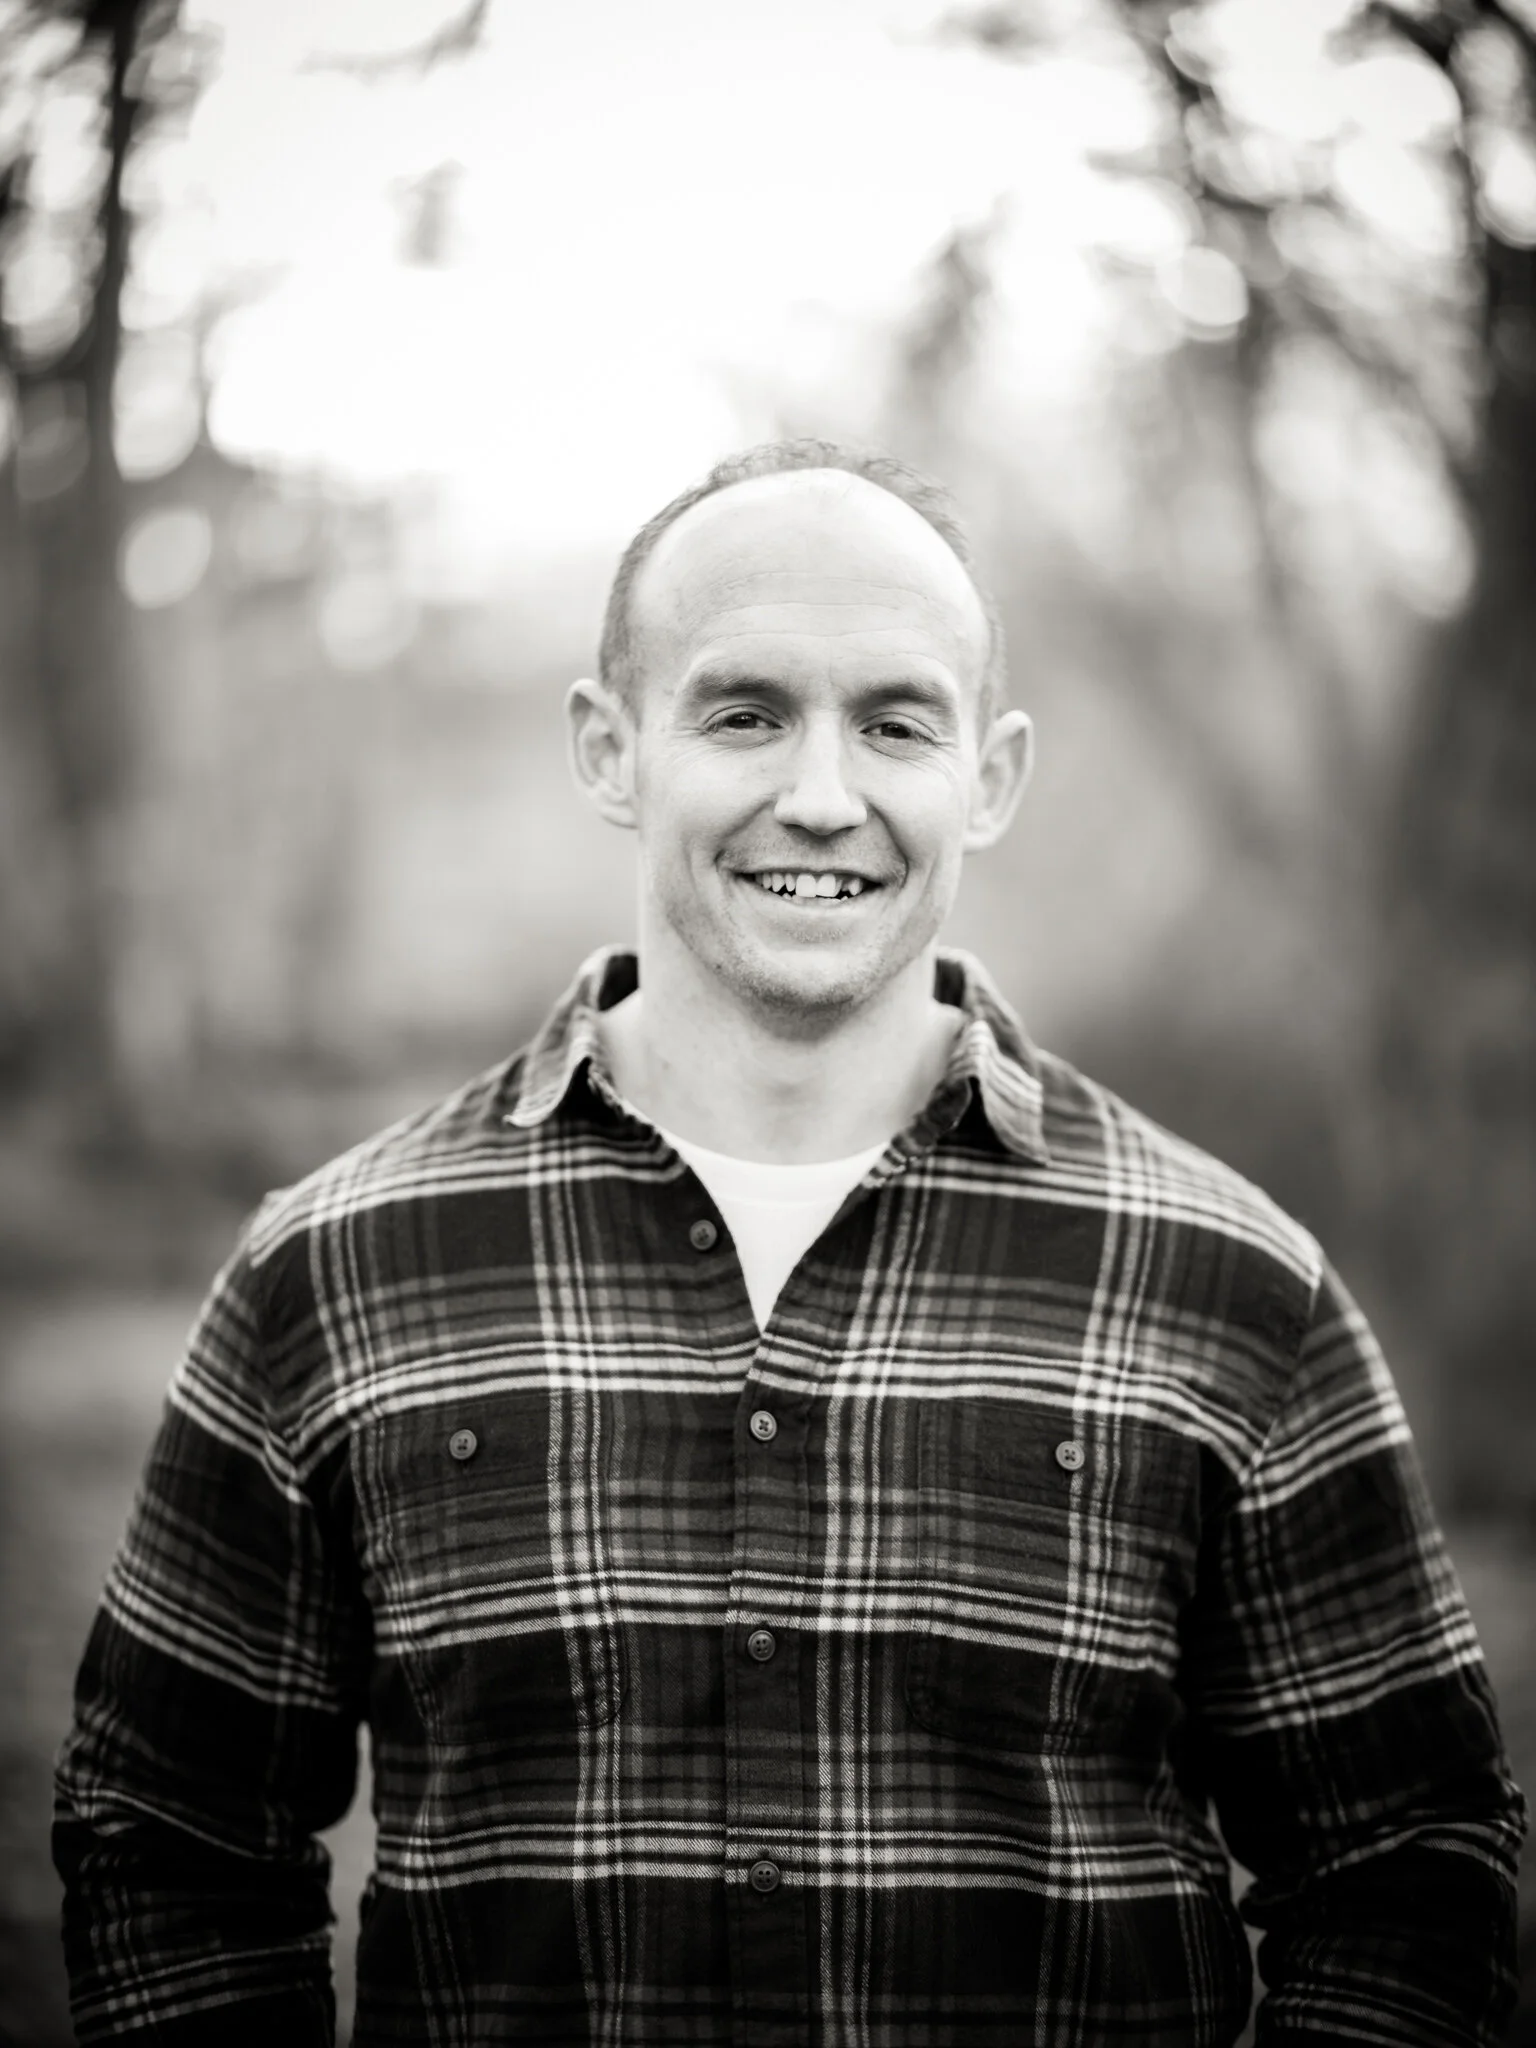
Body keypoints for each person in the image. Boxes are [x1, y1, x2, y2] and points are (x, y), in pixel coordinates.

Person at [56, 440, 1524, 2046]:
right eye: (745, 714)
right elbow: (171, 1839)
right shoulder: (332, 1273)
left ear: (990, 777)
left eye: (896, 723)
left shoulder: (1231, 1289)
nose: (823, 797)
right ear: (610, 750)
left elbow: (1404, 1868)